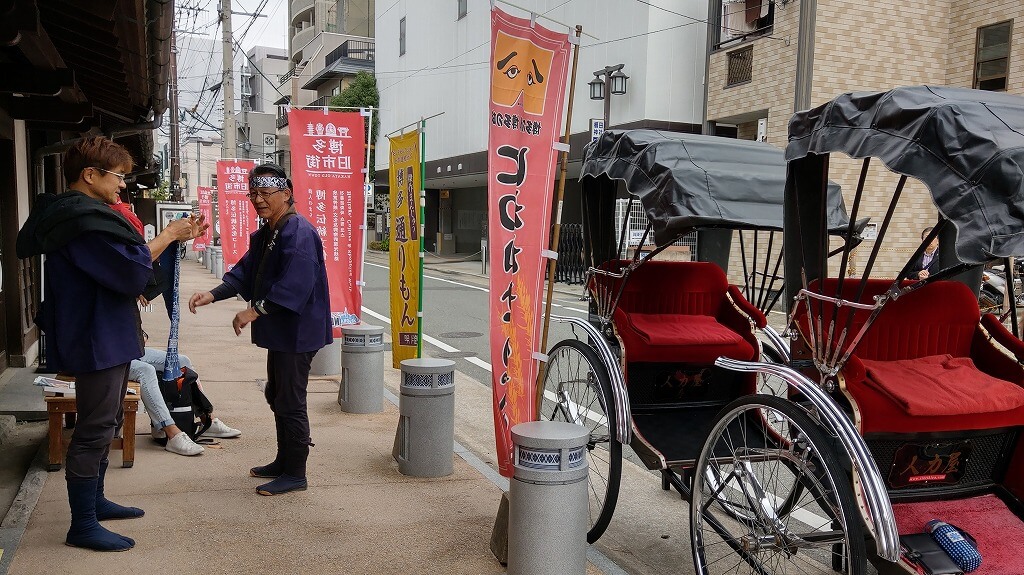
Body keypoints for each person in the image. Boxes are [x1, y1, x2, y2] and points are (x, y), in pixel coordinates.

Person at [16, 136, 207, 551]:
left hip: (107, 332)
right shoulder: (81, 222)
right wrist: (170, 234)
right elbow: (130, 271)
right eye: (118, 176)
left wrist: (176, 239)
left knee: (109, 423)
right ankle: (82, 524)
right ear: (90, 175)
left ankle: (96, 503)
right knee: (95, 428)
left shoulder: (87, 216)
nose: (123, 184)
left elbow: (134, 267)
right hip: (95, 336)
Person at [189, 163, 332, 496]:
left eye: (266, 193)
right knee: (277, 395)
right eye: (253, 193)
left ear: (286, 193)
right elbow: (245, 272)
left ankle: (296, 472)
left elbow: (295, 285)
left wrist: (254, 311)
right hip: (283, 332)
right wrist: (212, 294)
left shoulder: (298, 231)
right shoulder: (271, 231)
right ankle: (284, 460)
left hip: (298, 332)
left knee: (291, 401)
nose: (258, 199)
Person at [132, 344, 242, 456]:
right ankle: (172, 433)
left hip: (129, 348)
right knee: (146, 371)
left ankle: (207, 420)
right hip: (115, 356)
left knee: (182, 361)